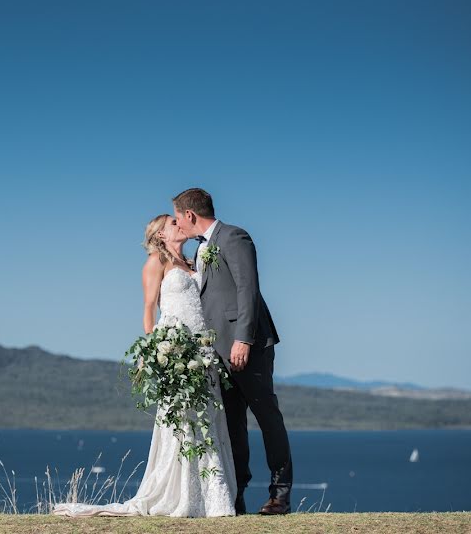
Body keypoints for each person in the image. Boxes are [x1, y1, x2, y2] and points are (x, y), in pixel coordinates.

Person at [52, 214, 237, 517]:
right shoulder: (155, 262)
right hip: (177, 352)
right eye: (173, 223)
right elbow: (148, 311)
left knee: (208, 418)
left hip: (202, 351)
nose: (180, 224)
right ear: (162, 235)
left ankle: (212, 497)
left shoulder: (194, 262)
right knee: (182, 422)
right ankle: (181, 496)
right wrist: (159, 351)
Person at [172, 187, 293, 515]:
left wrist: (244, 339)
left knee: (267, 416)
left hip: (247, 346)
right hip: (215, 352)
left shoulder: (234, 237)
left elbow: (247, 288)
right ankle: (235, 497)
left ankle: (280, 494)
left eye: (178, 217)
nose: (177, 224)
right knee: (232, 425)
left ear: (191, 215)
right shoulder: (200, 250)